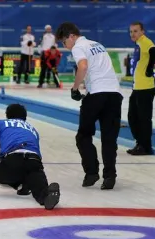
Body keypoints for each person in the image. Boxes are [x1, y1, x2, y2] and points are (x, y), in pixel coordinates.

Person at [55, 22, 123, 190]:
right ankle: (109, 177)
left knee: (84, 136)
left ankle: (92, 172)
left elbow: (83, 66)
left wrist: (75, 88)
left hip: (96, 96)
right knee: (109, 138)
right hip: (114, 94)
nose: (65, 46)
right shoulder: (98, 45)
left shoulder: (79, 46)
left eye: (64, 42)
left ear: (71, 36)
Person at [0, 103, 60, 210]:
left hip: (13, 159)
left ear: (7, 115)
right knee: (37, 184)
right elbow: (36, 149)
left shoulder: (1, 124)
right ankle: (45, 196)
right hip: (34, 160)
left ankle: (21, 184)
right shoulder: (32, 129)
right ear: (25, 117)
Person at [127, 22, 155, 156]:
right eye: (131, 31)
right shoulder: (139, 44)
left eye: (135, 31)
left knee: (143, 118)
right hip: (138, 87)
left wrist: (150, 68)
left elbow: (154, 52)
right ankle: (140, 143)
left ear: (142, 32)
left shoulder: (145, 42)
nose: (133, 34)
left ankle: (145, 146)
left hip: (145, 87)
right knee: (133, 116)